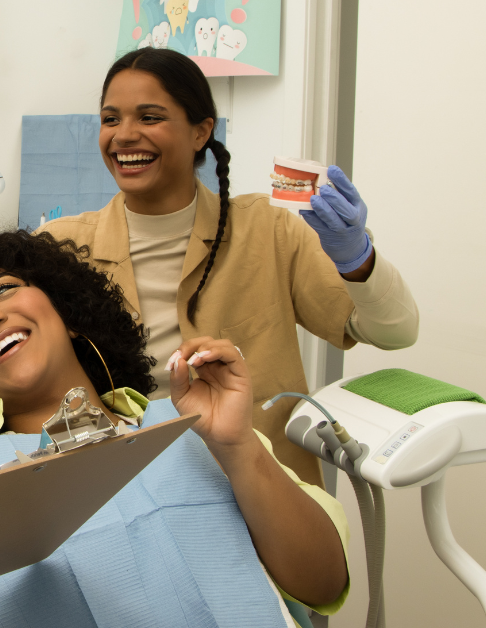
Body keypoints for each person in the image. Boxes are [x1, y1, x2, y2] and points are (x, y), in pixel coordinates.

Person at [0, 225, 348, 627]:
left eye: (3, 289)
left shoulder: (195, 425)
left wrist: (238, 446)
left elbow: (323, 581)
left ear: (68, 314)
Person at [36, 48, 419, 487]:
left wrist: (357, 259)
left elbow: (397, 332)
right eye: (110, 119)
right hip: (125, 490)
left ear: (201, 132)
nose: (124, 135)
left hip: (265, 491)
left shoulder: (268, 231)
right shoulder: (61, 249)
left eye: (149, 117)